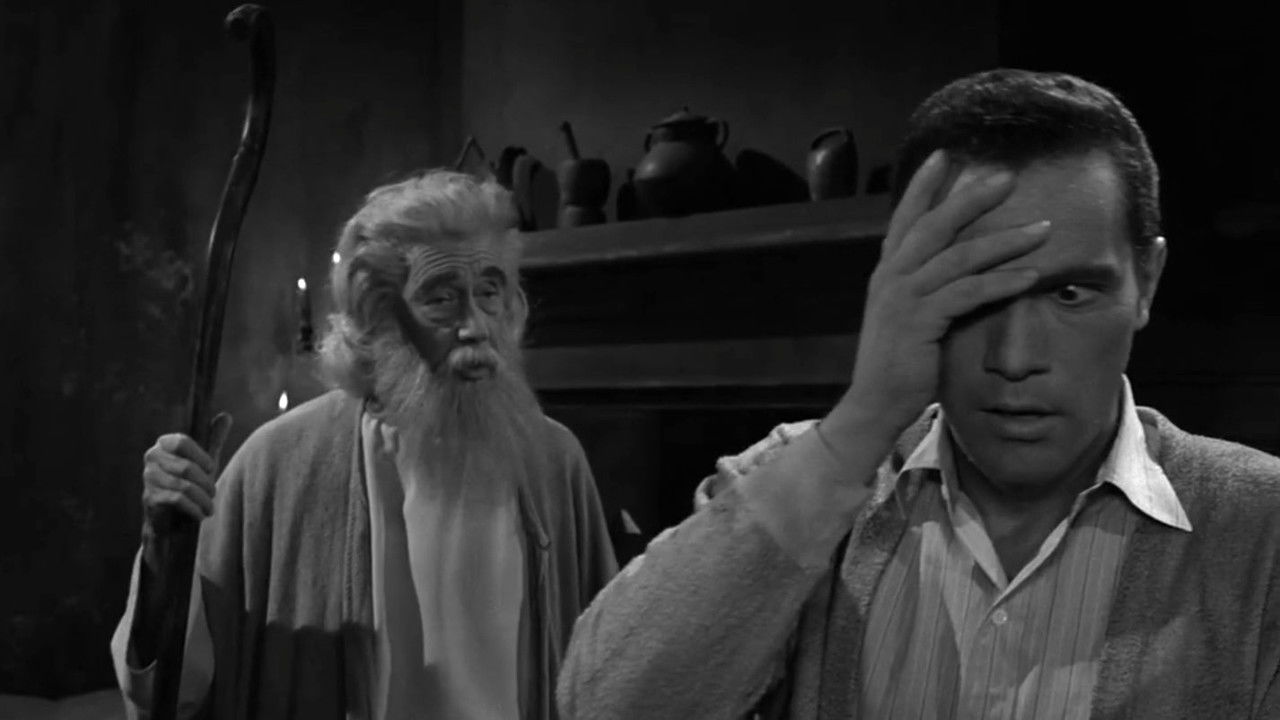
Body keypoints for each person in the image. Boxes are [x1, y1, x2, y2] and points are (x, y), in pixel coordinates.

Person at [557, 69, 1280, 719]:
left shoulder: (1260, 527)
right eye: (968, 294)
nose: (1014, 359)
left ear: (1146, 282)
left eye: (1069, 294)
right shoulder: (804, 480)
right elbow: (605, 704)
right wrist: (865, 416)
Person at [110, 170, 618, 720]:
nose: (475, 326)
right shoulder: (278, 465)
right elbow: (171, 687)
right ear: (379, 317)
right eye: (442, 299)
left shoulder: (552, 461)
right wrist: (164, 548)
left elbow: (612, 672)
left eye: (489, 292)